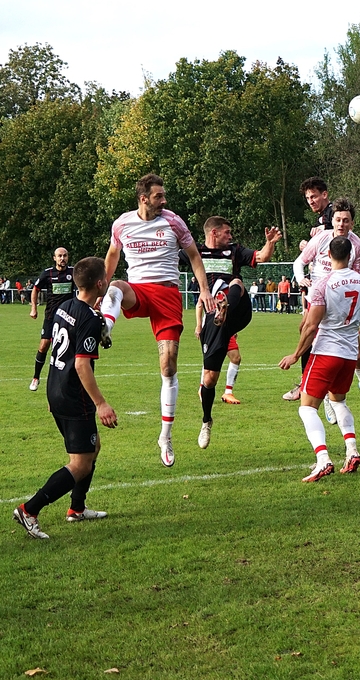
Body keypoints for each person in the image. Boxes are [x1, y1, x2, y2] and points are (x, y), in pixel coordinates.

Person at [99, 174, 214, 468]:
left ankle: (165, 436)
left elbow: (194, 256)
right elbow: (112, 256)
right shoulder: (122, 224)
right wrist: (100, 290)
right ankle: (104, 327)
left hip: (167, 294)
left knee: (168, 366)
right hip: (138, 290)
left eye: (163, 195)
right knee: (116, 287)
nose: (164, 200)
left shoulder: (173, 221)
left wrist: (204, 290)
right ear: (143, 199)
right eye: (158, 196)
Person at [13, 257, 118, 539]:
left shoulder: (65, 306)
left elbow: (58, 350)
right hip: (74, 395)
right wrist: (101, 404)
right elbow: (82, 365)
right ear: (100, 283)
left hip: (56, 388)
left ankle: (77, 508)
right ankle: (29, 510)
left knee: (92, 449)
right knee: (80, 463)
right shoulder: (89, 318)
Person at [279, 236, 360, 481]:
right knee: (338, 402)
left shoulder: (323, 284)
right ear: (351, 256)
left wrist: (295, 355)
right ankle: (352, 450)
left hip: (326, 352)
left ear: (329, 255)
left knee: (307, 408)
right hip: (349, 355)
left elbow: (311, 326)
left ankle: (323, 459)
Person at [184, 216, 280, 449]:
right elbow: (166, 257)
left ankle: (224, 304)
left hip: (237, 311)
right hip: (213, 321)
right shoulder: (195, 251)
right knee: (209, 379)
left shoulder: (235, 250)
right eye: (227, 232)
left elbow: (262, 256)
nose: (230, 236)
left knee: (237, 281)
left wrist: (270, 242)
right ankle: (206, 421)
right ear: (214, 233)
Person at [290, 180, 360, 413]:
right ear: (333, 220)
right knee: (308, 331)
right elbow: (299, 262)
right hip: (319, 296)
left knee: (351, 341)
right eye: (338, 219)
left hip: (343, 298)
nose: (341, 224)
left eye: (346, 220)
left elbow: (358, 276)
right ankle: (320, 392)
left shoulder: (357, 245)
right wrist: (301, 279)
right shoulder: (321, 239)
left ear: (352, 223)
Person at [28, 248, 76, 392]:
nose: (62, 258)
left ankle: (68, 381)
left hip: (68, 316)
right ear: (54, 258)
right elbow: (35, 289)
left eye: (65, 256)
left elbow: (83, 287)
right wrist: (34, 308)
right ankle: (36, 377)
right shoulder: (47, 273)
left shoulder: (73, 272)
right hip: (51, 316)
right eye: (59, 256)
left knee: (68, 348)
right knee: (44, 345)